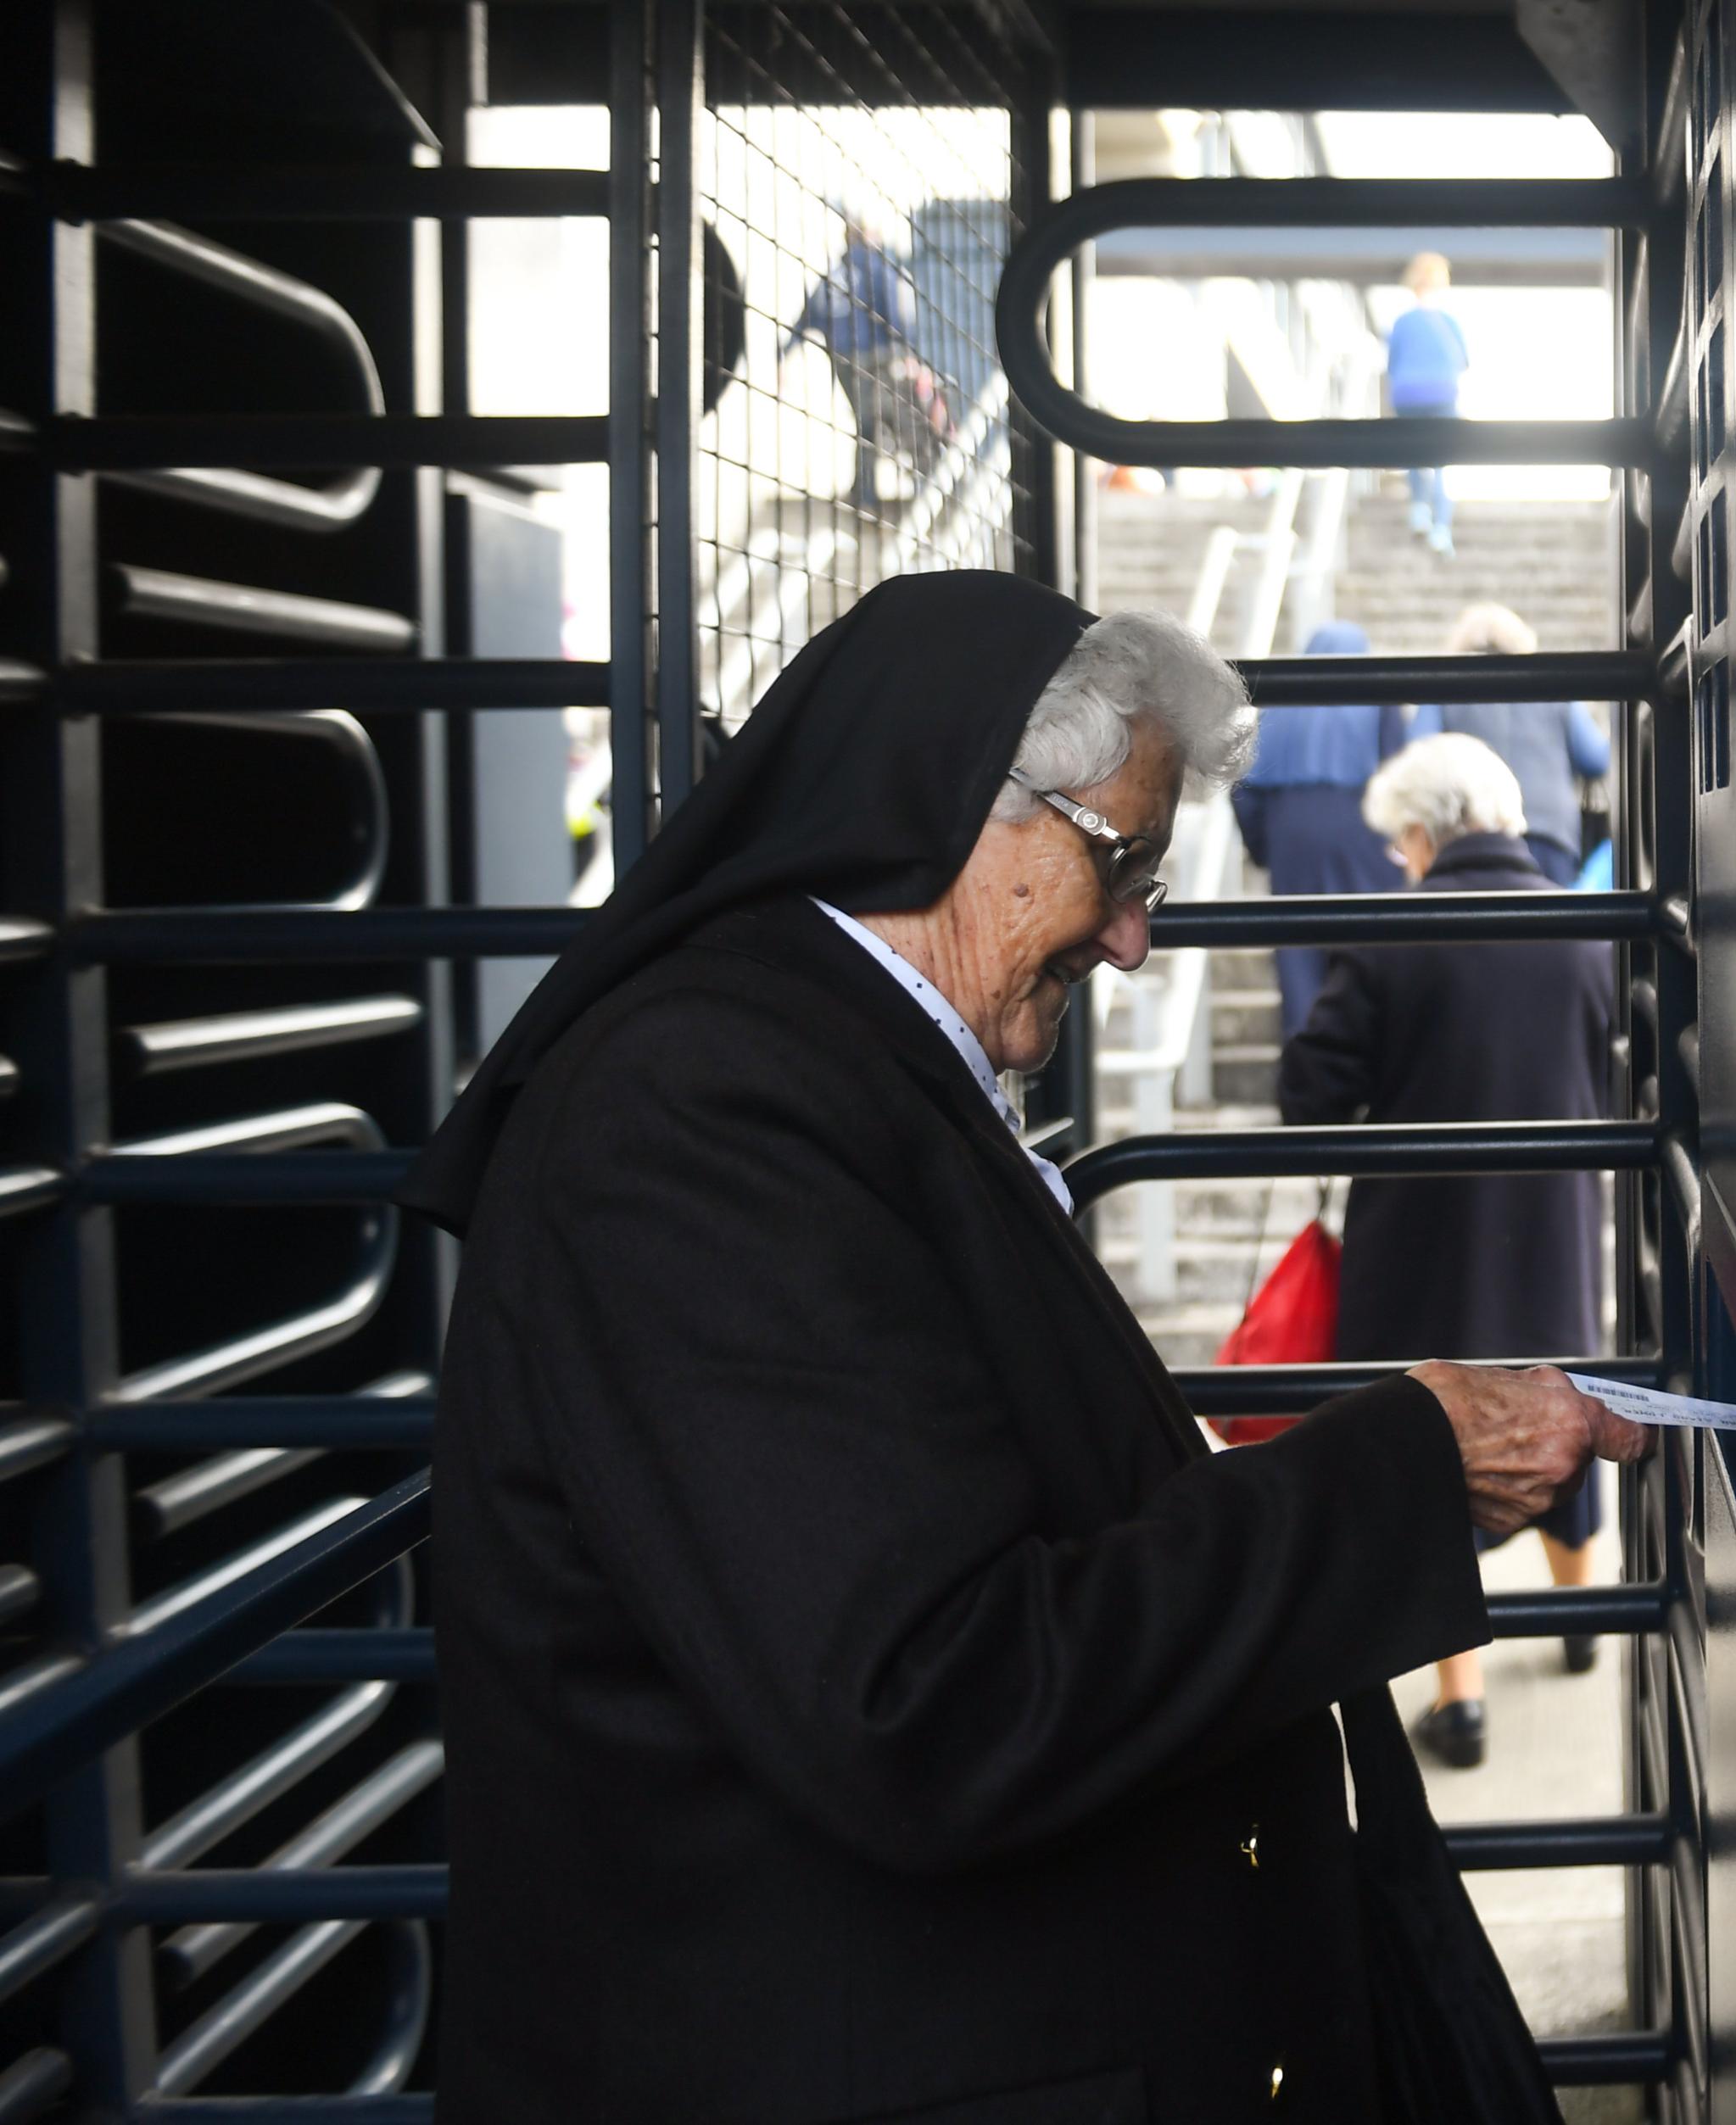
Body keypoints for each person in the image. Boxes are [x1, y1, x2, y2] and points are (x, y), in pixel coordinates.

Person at [405, 576, 1650, 2123]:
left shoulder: (831, 1072)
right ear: (960, 811)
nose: (1131, 940)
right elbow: (931, 1697)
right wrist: (1401, 1466)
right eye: (1120, 864)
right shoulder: (699, 1119)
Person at [1278, 735, 1616, 1770]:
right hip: (1553, 1231)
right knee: (1561, 1391)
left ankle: (1460, 1699)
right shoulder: (1586, 930)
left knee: (1432, 1441)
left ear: (1424, 833)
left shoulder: (1390, 935)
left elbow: (1312, 1095)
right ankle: (1584, 1613)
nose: (1398, 862)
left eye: (1400, 844)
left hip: (1424, 1246)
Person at [1231, 618, 1409, 1037]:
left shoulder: (1280, 699)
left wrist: (1263, 848)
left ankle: (1306, 1077)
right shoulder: (1379, 693)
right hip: (1364, 829)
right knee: (1370, 947)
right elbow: (1402, 774)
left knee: (1300, 958)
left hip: (1291, 835)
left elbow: (1243, 786)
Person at [1409, 604, 1612, 885]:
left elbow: (1418, 754)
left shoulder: (1444, 686)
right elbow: (1596, 759)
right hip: (1551, 834)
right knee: (1555, 923)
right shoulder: (1555, 684)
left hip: (1470, 838)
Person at [783, 204, 927, 510]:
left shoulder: (835, 273)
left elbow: (809, 316)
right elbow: (893, 314)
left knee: (866, 423)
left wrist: (785, 354)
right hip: (876, 359)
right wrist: (909, 351)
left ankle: (862, 491)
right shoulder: (876, 267)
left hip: (844, 361)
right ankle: (885, 493)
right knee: (890, 421)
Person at [1385, 251, 1469, 556]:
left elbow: (1392, 364)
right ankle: (1441, 529)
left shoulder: (1402, 322)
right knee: (1443, 462)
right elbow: (1464, 362)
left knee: (1413, 453)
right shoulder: (1447, 321)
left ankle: (1419, 507)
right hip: (1442, 394)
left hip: (1407, 394)